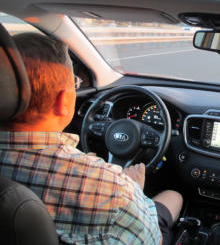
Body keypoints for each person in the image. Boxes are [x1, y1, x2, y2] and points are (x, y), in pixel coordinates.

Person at [0, 33, 183, 244]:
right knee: (174, 196)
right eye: (75, 83)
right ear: (64, 100)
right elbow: (151, 239)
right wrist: (134, 191)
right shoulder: (113, 188)